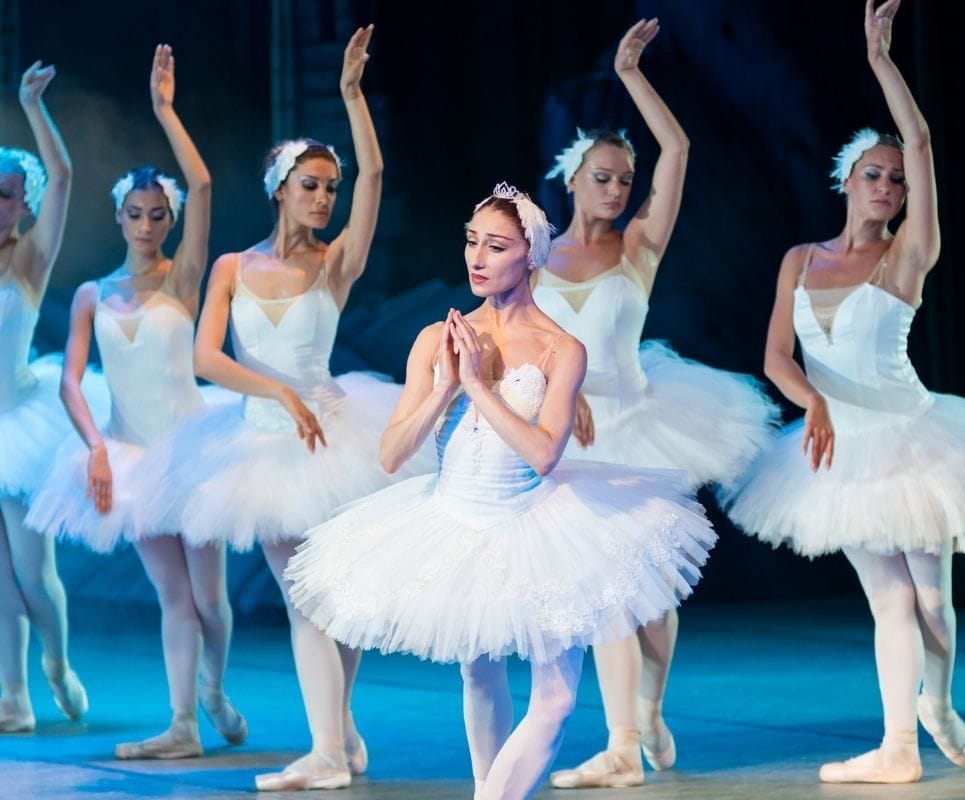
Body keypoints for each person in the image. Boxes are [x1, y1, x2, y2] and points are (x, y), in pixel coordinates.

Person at [283, 183, 716, 800]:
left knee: (559, 697)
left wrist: (480, 385)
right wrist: (444, 386)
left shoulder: (562, 348)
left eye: (497, 246)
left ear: (532, 257)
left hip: (538, 521)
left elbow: (543, 455)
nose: (477, 258)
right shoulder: (438, 338)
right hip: (454, 519)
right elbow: (389, 454)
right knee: (477, 671)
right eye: (471, 241)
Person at [720, 0, 965, 784]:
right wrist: (812, 400)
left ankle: (941, 703)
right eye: (873, 174)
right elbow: (776, 357)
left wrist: (881, 62)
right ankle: (896, 747)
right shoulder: (800, 258)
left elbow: (918, 139)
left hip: (914, 436)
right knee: (889, 599)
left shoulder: (908, 256)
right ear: (846, 182)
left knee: (931, 600)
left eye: (894, 178)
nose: (887, 184)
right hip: (837, 447)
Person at [150, 25, 428, 790]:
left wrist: (351, 97)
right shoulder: (237, 267)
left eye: (329, 188)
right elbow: (206, 358)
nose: (324, 196)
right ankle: (333, 745)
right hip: (262, 445)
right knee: (307, 595)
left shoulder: (335, 265)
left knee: (337, 595)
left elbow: (373, 171)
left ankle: (334, 744)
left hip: (334, 435)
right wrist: (273, 388)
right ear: (279, 188)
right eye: (310, 184)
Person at [537, 20, 778, 789]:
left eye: (622, 178)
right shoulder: (537, 255)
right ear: (571, 178)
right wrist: (549, 396)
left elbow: (676, 152)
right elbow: (522, 343)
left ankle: (646, 712)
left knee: (649, 590)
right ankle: (618, 745)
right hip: (567, 437)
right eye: (601, 176)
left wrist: (631, 76)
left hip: (641, 423)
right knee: (603, 586)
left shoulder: (637, 245)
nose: (615, 188)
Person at [25, 45, 246, 759]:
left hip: (195, 451)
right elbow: (69, 378)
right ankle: (182, 723)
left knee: (210, 601)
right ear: (119, 217)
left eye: (157, 214)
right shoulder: (93, 293)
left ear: (168, 221)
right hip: (133, 456)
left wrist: (164, 110)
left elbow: (205, 185)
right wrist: (95, 447)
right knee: (171, 596)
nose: (147, 224)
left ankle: (213, 688)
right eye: (135, 213)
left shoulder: (183, 280)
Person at [0, 59, 106, 733]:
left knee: (34, 576)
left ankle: (57, 665)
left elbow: (65, 176)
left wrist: (31, 107)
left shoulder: (31, 259)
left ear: (26, 203)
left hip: (19, 425)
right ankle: (13, 696)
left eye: (8, 195)